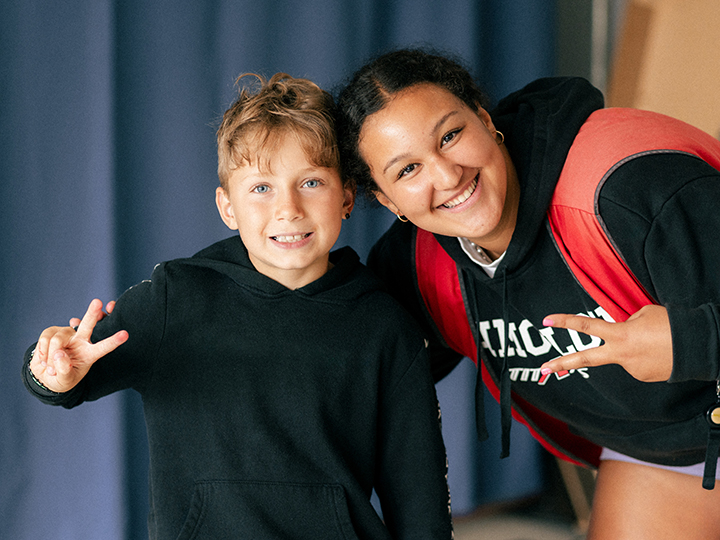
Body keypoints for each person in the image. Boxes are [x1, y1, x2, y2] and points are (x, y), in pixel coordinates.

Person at [22, 73, 453, 540]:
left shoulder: (385, 325)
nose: (288, 209)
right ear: (227, 207)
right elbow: (69, 377)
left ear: (346, 197)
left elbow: (419, 497)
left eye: (311, 182)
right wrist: (50, 372)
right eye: (261, 188)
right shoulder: (175, 299)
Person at [335, 48, 720, 539]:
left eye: (450, 136)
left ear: (483, 118)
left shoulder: (629, 185)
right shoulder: (415, 267)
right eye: (407, 170)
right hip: (668, 447)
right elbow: (364, 382)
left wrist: (693, 341)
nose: (447, 176)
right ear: (387, 200)